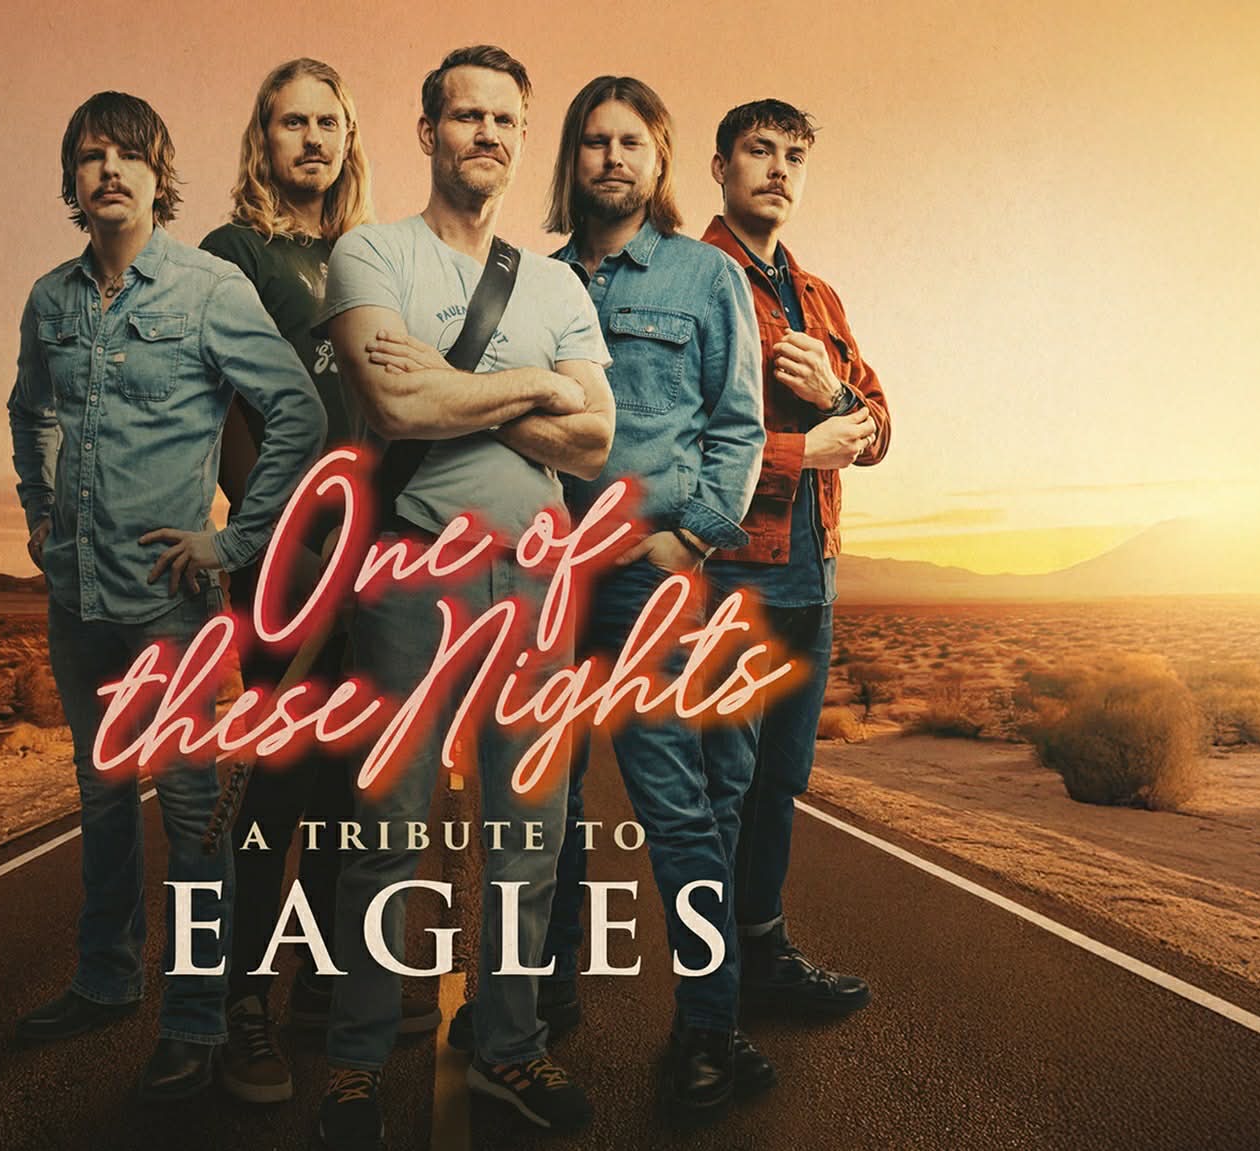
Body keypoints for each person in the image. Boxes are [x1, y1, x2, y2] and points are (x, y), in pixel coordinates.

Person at [311, 44, 615, 1150]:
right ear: (428, 132)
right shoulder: (370, 253)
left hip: (534, 578)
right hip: (408, 569)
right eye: (465, 116)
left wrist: (462, 394)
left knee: (526, 830)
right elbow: (391, 401)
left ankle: (506, 1045)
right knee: (386, 829)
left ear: (519, 139)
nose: (485, 134)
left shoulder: (558, 284)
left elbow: (594, 439)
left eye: (504, 120)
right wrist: (535, 382)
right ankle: (352, 1065)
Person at [5, 90, 325, 1102]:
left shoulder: (206, 288)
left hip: (169, 607)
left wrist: (232, 538)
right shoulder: (50, 299)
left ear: (158, 175)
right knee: (100, 803)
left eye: (128, 157)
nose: (108, 172)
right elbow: (29, 410)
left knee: (191, 819)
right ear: (72, 180)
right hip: (77, 601)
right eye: (90, 157)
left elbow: (298, 414)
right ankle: (103, 979)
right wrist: (40, 514)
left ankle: (192, 1020)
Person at [530, 74, 771, 1124]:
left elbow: (739, 424)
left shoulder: (702, 278)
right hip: (542, 578)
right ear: (571, 160)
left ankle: (709, 1027)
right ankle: (541, 1000)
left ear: (658, 162)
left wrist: (689, 533)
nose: (611, 158)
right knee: (543, 801)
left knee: (672, 804)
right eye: (593, 141)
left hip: (645, 571)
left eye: (631, 142)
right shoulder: (532, 288)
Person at [198, 57, 437, 1107]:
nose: (311, 140)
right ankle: (238, 1005)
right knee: (277, 791)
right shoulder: (231, 255)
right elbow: (226, 420)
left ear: (349, 138)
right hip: (285, 565)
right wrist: (291, 548)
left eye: (327, 123)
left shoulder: (374, 259)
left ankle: (324, 988)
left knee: (351, 787)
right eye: (290, 122)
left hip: (376, 559)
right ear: (264, 139)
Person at [698, 98, 891, 1020]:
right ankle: (709, 1001)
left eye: (794, 156)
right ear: (721, 167)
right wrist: (799, 452)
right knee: (720, 790)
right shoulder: (691, 279)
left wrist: (836, 390)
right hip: (728, 574)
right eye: (759, 151)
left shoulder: (822, 298)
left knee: (781, 781)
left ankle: (763, 959)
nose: (778, 168)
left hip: (813, 572)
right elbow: (670, 444)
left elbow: (881, 425)